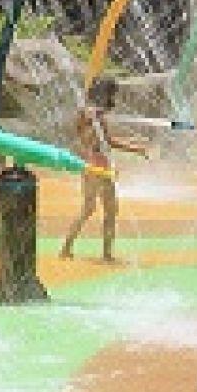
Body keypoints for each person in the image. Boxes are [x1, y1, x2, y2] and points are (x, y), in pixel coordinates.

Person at [64, 77, 147, 262]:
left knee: (88, 209)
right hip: (99, 165)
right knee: (110, 210)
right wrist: (136, 148)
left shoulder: (88, 114)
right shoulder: (92, 115)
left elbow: (105, 141)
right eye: (112, 93)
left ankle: (67, 247)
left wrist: (135, 147)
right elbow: (99, 140)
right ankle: (107, 254)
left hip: (89, 164)